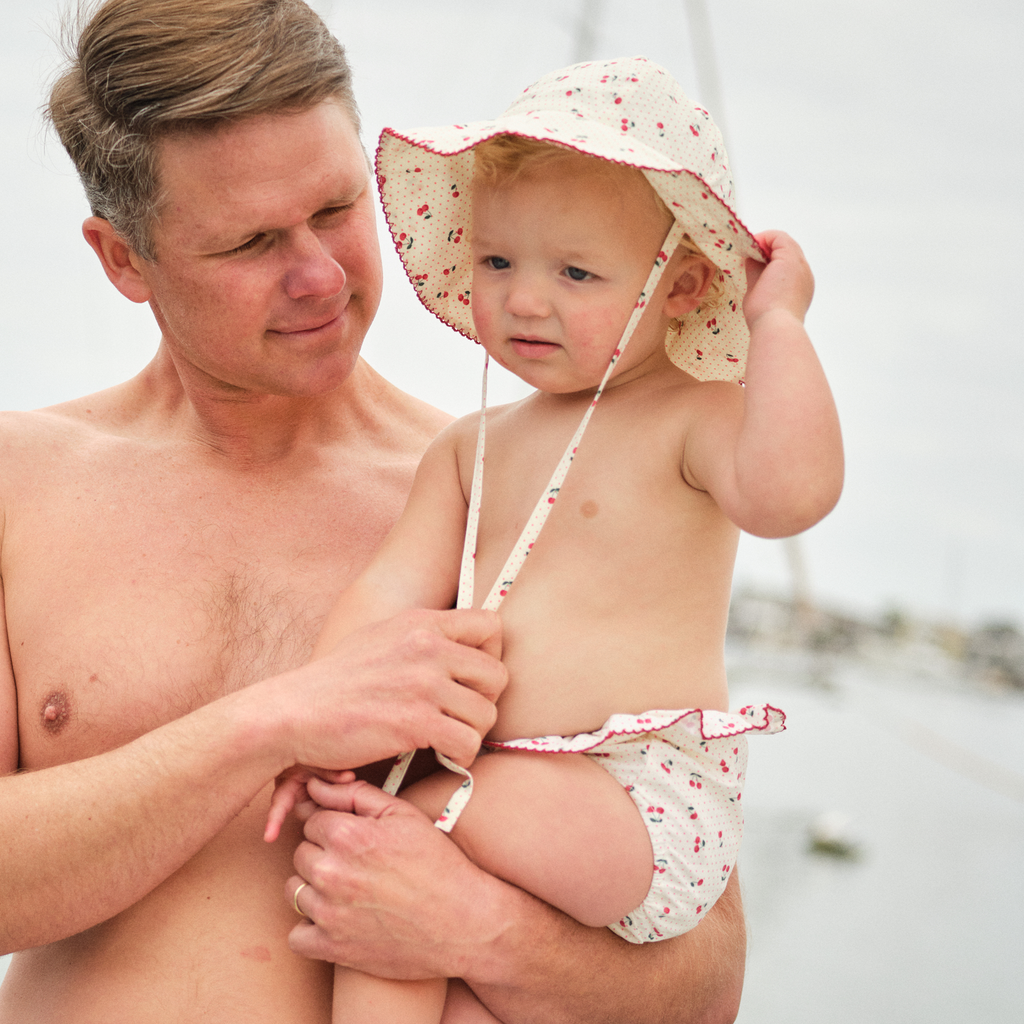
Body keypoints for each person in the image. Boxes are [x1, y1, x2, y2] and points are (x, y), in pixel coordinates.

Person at [0, 4, 750, 1022]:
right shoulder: (19, 483)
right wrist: (271, 723)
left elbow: (702, 975)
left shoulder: (515, 496)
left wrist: (474, 927)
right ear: (123, 259)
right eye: (251, 242)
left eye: (336, 209)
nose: (319, 275)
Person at [267, 57, 842, 1023]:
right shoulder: (470, 448)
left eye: (575, 272)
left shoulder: (691, 419)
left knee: (388, 840)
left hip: (631, 796)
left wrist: (776, 322)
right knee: (374, 912)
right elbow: (384, 597)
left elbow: (791, 495)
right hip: (507, 794)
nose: (526, 300)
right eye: (499, 264)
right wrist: (316, 727)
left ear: (683, 282)